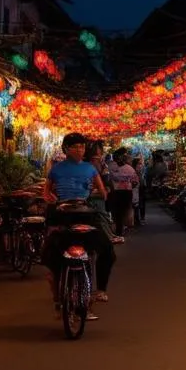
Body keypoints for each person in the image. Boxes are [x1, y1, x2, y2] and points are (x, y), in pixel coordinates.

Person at [43, 132, 116, 313]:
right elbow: (46, 192)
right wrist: (53, 199)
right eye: (75, 147)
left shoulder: (91, 169)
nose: (79, 150)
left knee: (107, 249)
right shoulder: (56, 169)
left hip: (85, 214)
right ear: (66, 149)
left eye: (82, 147)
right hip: (62, 214)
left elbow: (103, 192)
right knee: (49, 251)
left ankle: (101, 290)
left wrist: (87, 195)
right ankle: (57, 283)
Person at [107, 147, 138, 241]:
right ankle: (122, 228)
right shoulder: (129, 168)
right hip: (125, 192)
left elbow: (108, 178)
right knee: (124, 210)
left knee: (118, 211)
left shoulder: (110, 166)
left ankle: (120, 229)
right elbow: (135, 181)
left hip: (116, 191)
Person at [132, 155, 146, 226]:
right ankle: (137, 219)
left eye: (141, 164)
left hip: (141, 189)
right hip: (136, 190)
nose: (141, 165)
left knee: (141, 203)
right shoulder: (133, 172)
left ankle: (141, 218)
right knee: (137, 204)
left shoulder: (140, 172)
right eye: (139, 163)